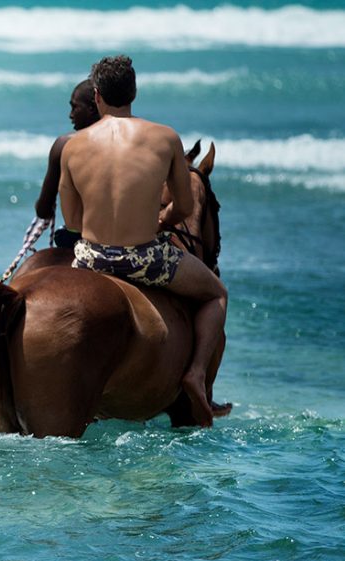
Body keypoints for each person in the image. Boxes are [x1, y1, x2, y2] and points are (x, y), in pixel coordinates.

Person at [59, 55, 228, 426]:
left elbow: (72, 220)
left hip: (89, 259)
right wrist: (159, 221)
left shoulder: (73, 146)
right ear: (133, 93)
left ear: (97, 96)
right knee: (217, 293)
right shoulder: (165, 138)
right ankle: (196, 374)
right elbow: (183, 207)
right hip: (144, 258)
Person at [1, 80, 100, 280]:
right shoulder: (125, 143)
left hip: (76, 242)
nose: (70, 114)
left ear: (92, 108)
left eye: (74, 107)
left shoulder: (64, 144)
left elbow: (43, 209)